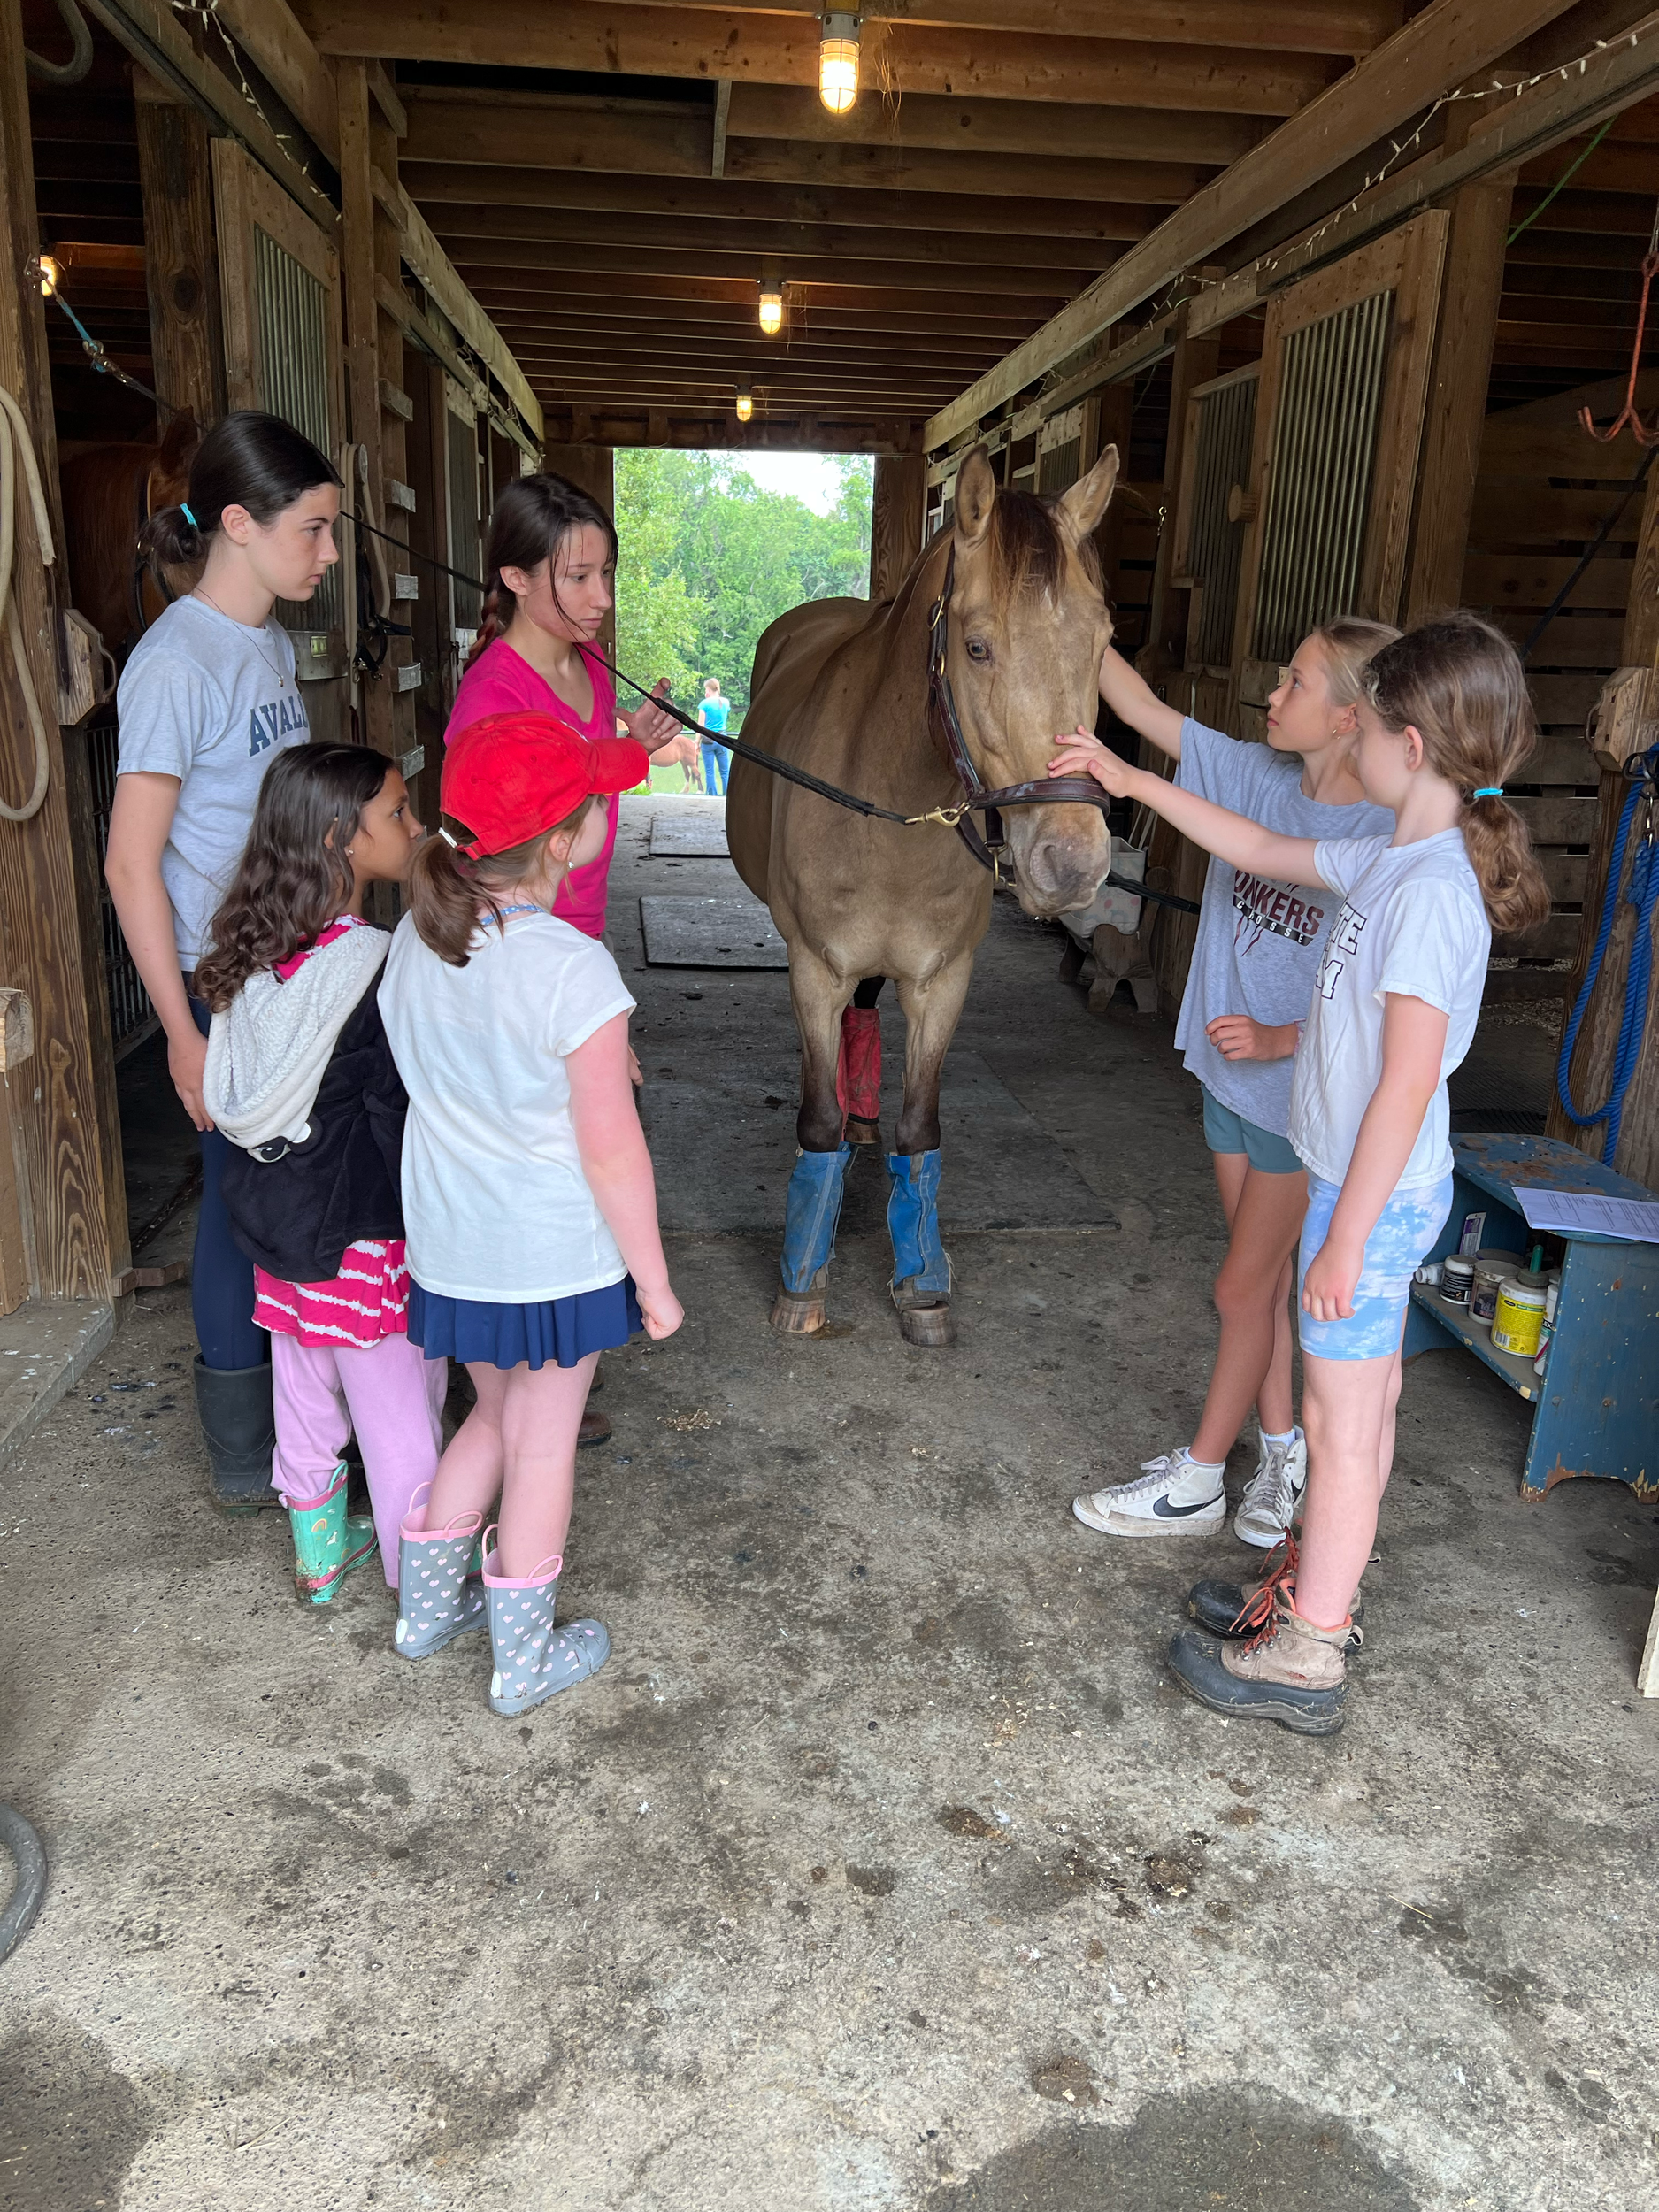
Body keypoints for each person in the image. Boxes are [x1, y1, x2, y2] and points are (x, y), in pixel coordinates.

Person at [1050, 611, 1550, 1733]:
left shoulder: (1427, 895)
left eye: (1366, 722)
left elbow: (1407, 1084)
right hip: (1351, 1189)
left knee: (1346, 1423)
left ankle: (1310, 1649)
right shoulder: (1395, 852)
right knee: (1352, 1411)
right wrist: (1127, 772)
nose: (1353, 740)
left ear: (1408, 746)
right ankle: (1311, 1592)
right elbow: (1259, 848)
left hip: (1367, 1198)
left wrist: (1342, 1232)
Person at [380, 710, 684, 1717]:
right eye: (595, 801)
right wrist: (653, 1278)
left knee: (495, 1418)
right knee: (544, 1443)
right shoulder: (569, 967)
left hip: (452, 1246)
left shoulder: (415, 943)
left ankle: (425, 1615)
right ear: (564, 841)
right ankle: (524, 1661)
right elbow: (611, 1147)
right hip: (551, 1257)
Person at [1070, 626, 1396, 1551]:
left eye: (1295, 681)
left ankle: (1201, 1477)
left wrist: (1287, 1034)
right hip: (1225, 1075)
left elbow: (1384, 998)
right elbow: (1137, 709)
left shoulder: (1380, 834)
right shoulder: (1255, 775)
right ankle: (1282, 1448)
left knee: (1240, 1288)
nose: (1272, 691)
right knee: (1255, 1293)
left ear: (1349, 716)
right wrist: (1077, 616)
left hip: (1301, 1098)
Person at [104, 411, 342, 1505]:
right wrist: (182, 1035)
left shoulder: (269, 644)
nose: (329, 553)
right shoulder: (173, 663)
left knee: (285, 1187)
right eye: (316, 529)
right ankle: (248, 1452)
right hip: (224, 982)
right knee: (234, 1197)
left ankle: (310, 1423)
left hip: (287, 963)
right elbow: (129, 862)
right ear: (238, 526)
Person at [447, 474, 678, 1451]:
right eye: (576, 577)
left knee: (568, 1168)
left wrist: (627, 743)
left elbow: (580, 782)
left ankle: (540, 1378)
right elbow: (485, 847)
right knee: (542, 1165)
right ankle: (505, 1404)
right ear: (512, 575)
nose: (600, 599)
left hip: (575, 947)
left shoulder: (590, 671)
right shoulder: (493, 697)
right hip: (519, 962)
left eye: (606, 574)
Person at [196, 744, 441, 1605]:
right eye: (399, 814)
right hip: (361, 1242)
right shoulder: (374, 964)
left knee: (304, 1398)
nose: (416, 827)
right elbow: (395, 1118)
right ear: (342, 838)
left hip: (278, 1237)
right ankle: (427, 1588)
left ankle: (320, 1563)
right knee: (400, 1413)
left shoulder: (254, 958)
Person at [696, 676, 733, 797]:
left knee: (710, 771)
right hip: (723, 738)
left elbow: (700, 726)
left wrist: (697, 743)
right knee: (725, 771)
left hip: (708, 740)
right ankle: (727, 795)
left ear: (709, 689)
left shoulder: (704, 704)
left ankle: (712, 795)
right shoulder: (726, 702)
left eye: (706, 689)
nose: (705, 692)